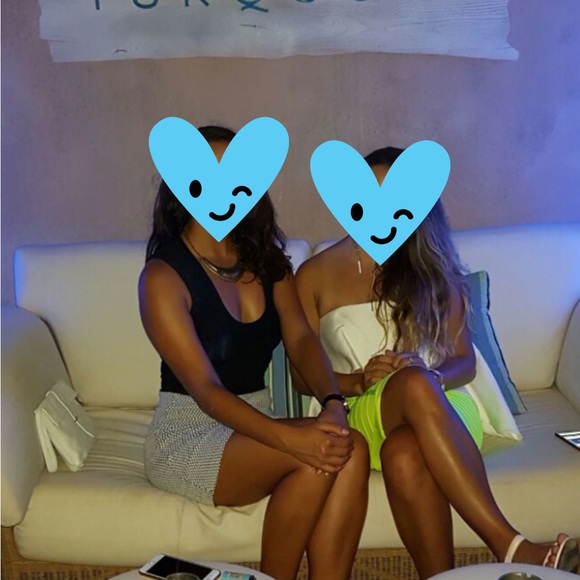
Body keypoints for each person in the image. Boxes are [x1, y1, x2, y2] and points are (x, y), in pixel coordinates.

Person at [294, 146, 580, 579]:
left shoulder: (435, 271)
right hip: (362, 410)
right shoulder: (315, 274)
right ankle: (511, 545)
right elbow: (301, 376)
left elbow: (464, 362)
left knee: (405, 450)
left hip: (444, 408)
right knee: (410, 385)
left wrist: (430, 375)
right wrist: (358, 381)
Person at [139, 125, 369, 580]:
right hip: (189, 433)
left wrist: (333, 402)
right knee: (313, 456)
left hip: (255, 421)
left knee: (349, 448)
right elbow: (206, 390)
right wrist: (290, 438)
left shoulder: (266, 262)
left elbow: (302, 340)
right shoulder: (163, 277)